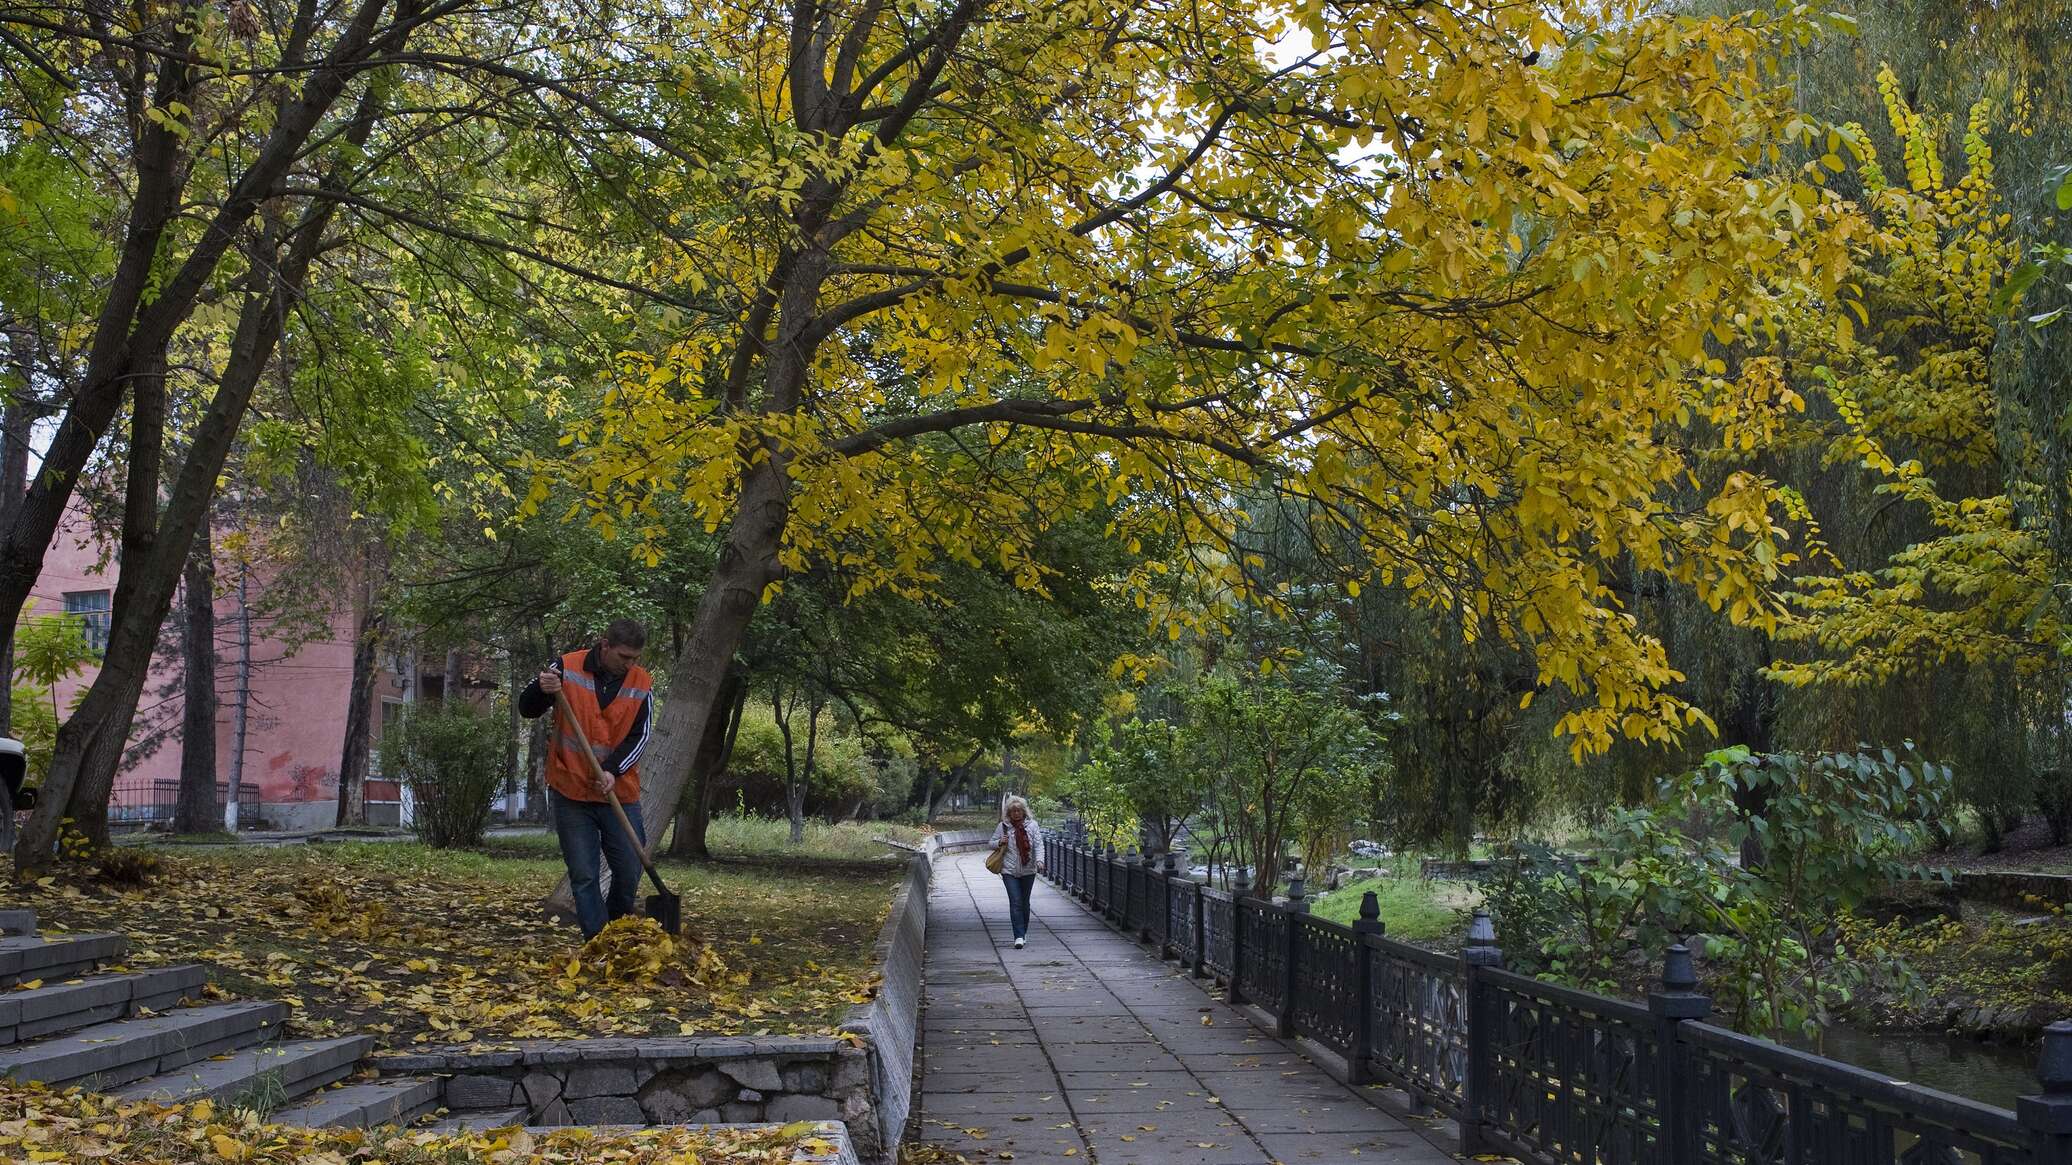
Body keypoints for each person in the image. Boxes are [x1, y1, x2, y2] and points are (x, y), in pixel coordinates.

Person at [518, 619, 655, 939]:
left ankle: (617, 929)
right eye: (624, 657)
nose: (630, 664)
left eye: (635, 658)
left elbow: (640, 735)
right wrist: (541, 688)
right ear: (604, 645)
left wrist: (613, 770)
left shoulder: (642, 682)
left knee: (629, 868)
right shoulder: (566, 667)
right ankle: (598, 941)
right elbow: (527, 708)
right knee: (584, 874)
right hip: (572, 791)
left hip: (618, 792)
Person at [991, 796, 1045, 948]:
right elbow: (991, 843)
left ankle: (1023, 932)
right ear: (1009, 812)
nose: (1016, 813)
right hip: (1009, 870)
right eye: (1013, 811)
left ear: (1023, 811)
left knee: (1024, 903)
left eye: (1018, 811)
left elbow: (1039, 845)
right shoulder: (1003, 826)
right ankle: (1018, 936)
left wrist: (1040, 860)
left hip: (1028, 869)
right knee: (1015, 902)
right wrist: (999, 842)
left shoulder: (1032, 826)